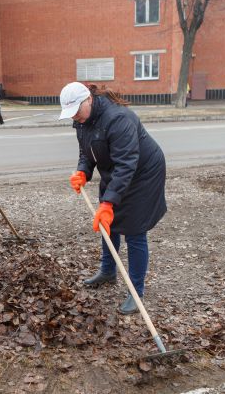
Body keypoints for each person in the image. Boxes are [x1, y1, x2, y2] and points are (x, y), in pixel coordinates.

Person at [60, 82, 167, 315]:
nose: (75, 117)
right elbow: (86, 152)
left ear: (88, 99)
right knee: (107, 222)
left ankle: (136, 291)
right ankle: (108, 270)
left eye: (77, 110)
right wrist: (82, 171)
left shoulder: (119, 119)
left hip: (142, 173)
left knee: (134, 229)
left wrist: (109, 202)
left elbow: (127, 163)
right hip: (116, 170)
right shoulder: (82, 121)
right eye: (71, 114)